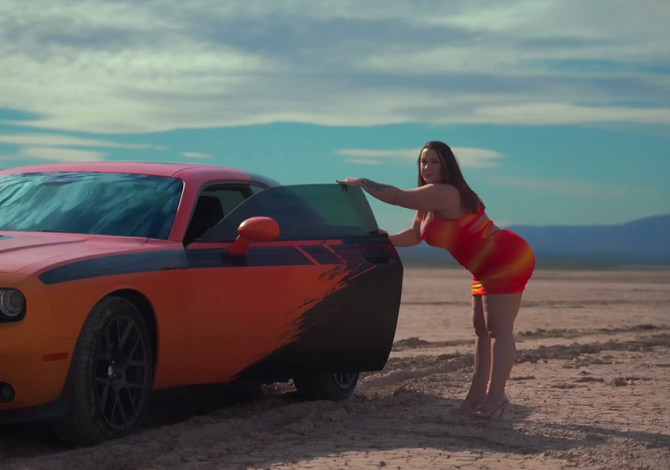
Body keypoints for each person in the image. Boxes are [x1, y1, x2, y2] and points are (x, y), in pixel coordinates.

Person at [336, 140, 535, 420]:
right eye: (423, 161)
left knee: (498, 330)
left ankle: (497, 397)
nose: (427, 167)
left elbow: (398, 197)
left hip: (505, 257)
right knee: (481, 331)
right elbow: (416, 235)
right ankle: (476, 395)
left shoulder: (445, 192)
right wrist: (385, 239)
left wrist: (362, 183)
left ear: (447, 165)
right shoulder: (428, 204)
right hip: (483, 266)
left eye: (434, 162)